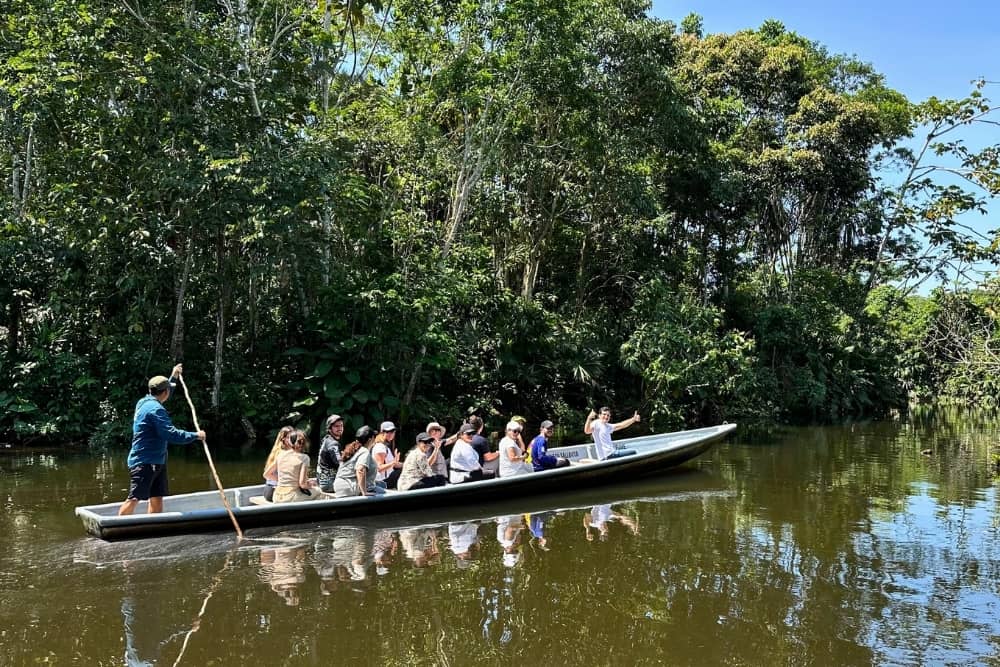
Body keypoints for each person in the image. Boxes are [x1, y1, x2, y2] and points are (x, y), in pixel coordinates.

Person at [118, 365, 206, 516]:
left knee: (157, 497)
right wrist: (196, 435)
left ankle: (153, 525)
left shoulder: (143, 402)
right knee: (134, 498)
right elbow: (171, 434)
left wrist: (174, 376)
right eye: (168, 390)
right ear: (165, 392)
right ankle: (118, 526)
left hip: (157, 461)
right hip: (145, 462)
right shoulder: (156, 410)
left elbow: (166, 391)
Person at [274, 429, 326, 502]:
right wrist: (311, 485)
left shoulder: (280, 455)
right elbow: (302, 484)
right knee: (318, 491)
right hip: (290, 497)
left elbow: (290, 477)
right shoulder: (305, 458)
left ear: (289, 441)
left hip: (276, 496)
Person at [334, 426, 385, 497]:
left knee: (382, 484)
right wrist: (364, 492)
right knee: (384, 493)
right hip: (350, 487)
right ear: (370, 439)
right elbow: (360, 470)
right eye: (374, 437)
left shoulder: (353, 449)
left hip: (339, 487)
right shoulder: (364, 451)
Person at [262, 426, 293, 501]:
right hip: (274, 491)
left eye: (293, 437)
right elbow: (267, 474)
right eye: (289, 437)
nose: (293, 439)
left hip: (269, 490)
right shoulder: (282, 453)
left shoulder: (278, 450)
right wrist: (283, 480)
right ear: (283, 439)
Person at [372, 421, 403, 489]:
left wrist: (407, 464)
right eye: (388, 431)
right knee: (401, 472)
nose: (391, 434)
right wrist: (393, 463)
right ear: (382, 432)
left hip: (388, 478)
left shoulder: (385, 446)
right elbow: (379, 468)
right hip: (383, 481)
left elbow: (395, 464)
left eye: (393, 431)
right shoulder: (380, 447)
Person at [317, 414, 344, 493]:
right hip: (329, 483)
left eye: (341, 426)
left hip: (322, 481)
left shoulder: (326, 439)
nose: (340, 428)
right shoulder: (333, 444)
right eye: (336, 426)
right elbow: (339, 463)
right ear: (329, 428)